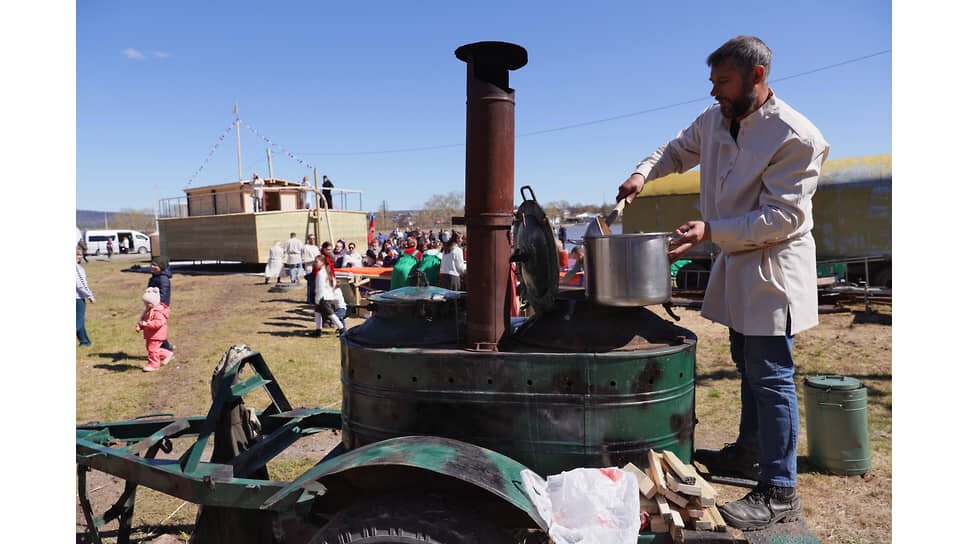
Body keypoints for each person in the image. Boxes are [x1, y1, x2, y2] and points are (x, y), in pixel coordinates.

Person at [614, 36, 828, 531]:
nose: (715, 92)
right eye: (712, 83)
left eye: (723, 81)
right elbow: (676, 149)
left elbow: (783, 218)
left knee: (771, 377)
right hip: (736, 265)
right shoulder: (716, 119)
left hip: (774, 271)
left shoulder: (797, 136)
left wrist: (712, 231)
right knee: (746, 363)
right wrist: (642, 173)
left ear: (757, 76)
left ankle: (780, 490)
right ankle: (750, 453)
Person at [135, 287, 173, 372]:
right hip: (150, 334)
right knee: (151, 349)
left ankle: (154, 365)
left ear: (154, 302)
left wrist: (146, 324)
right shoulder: (148, 311)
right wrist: (139, 326)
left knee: (152, 349)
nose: (146, 305)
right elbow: (144, 320)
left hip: (157, 334)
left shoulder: (157, 312)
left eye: (148, 303)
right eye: (145, 303)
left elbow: (158, 323)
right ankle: (167, 354)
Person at [312, 253, 345, 336]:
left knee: (331, 314)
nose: (315, 264)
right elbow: (333, 284)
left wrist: (317, 299)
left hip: (323, 298)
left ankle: (342, 329)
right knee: (317, 312)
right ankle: (318, 330)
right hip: (326, 296)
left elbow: (320, 288)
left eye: (317, 262)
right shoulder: (327, 272)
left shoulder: (321, 273)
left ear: (322, 262)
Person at [147, 255, 175, 353]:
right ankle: (166, 347)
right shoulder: (154, 277)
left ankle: (166, 349)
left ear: (161, 267)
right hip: (153, 306)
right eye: (151, 264)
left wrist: (157, 307)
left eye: (155, 265)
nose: (152, 266)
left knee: (157, 329)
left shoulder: (163, 279)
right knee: (156, 329)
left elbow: (163, 295)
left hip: (160, 308)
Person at [76, 248, 95, 346]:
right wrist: (90, 296)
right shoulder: (77, 268)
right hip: (77, 298)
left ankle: (84, 341)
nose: (79, 257)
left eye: (80, 255)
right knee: (78, 321)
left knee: (80, 320)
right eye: (77, 255)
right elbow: (81, 284)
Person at [301, 234, 321, 302]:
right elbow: (303, 259)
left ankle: (315, 298)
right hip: (309, 267)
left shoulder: (316, 247)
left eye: (314, 239)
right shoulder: (305, 247)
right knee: (310, 284)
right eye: (311, 239)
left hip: (316, 268)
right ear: (308, 239)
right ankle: (309, 299)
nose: (313, 240)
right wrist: (313, 261)